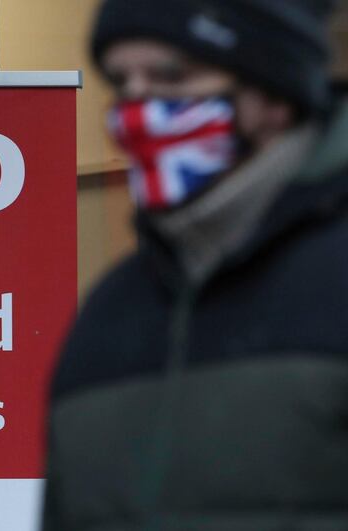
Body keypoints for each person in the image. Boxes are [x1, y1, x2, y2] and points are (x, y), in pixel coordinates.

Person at [42, 0, 348, 529]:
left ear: (273, 96)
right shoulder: (105, 319)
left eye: (171, 76)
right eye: (120, 81)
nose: (139, 107)